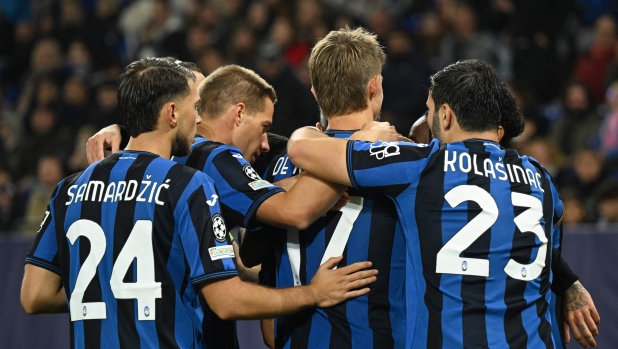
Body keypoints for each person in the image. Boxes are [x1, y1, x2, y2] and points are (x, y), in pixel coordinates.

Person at [20, 57, 378, 348]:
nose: (200, 118)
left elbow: (34, 296)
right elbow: (228, 300)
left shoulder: (69, 188)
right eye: (196, 107)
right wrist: (312, 293)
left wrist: (127, 291)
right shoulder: (190, 183)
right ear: (173, 113)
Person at [286, 59, 600, 348]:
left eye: (430, 110)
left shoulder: (423, 166)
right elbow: (540, 229)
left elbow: (301, 150)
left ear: (446, 115)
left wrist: (356, 134)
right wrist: (569, 281)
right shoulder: (539, 177)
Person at [241, 27, 407, 349]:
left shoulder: (276, 167)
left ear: (315, 93)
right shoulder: (403, 165)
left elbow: (251, 257)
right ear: (375, 86)